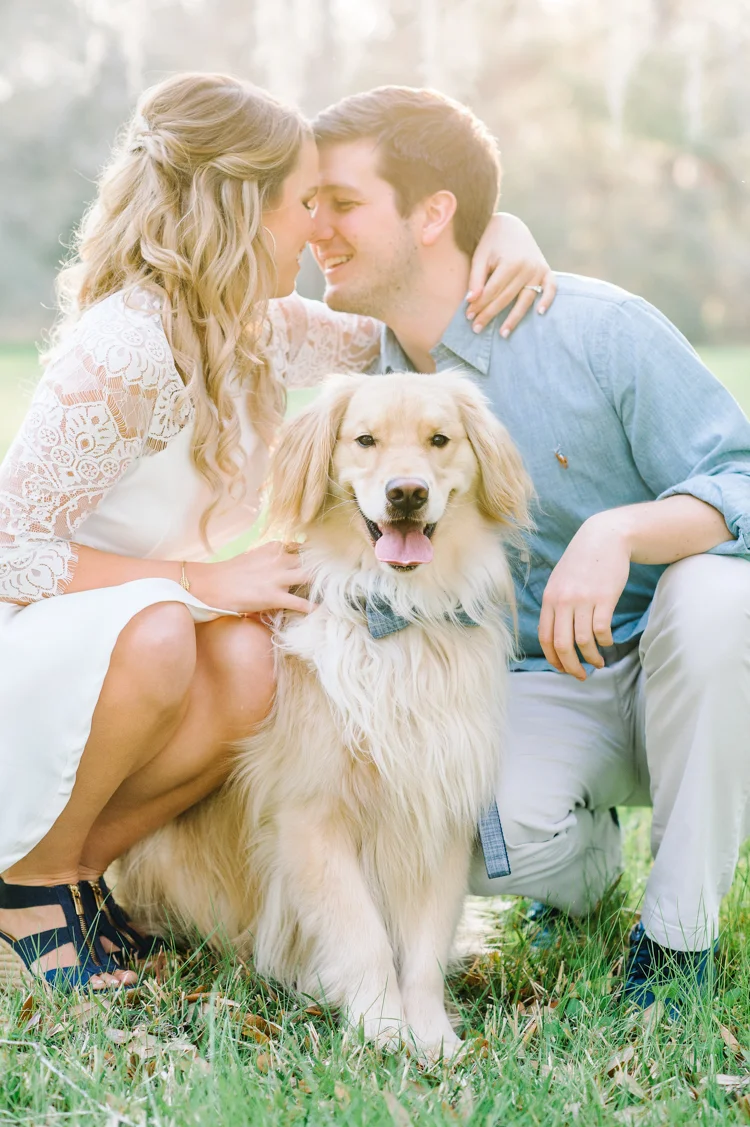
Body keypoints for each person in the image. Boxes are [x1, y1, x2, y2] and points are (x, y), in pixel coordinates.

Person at [0, 72, 555, 991]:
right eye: (303, 203)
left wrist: (496, 229)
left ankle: (76, 877)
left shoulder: (250, 326)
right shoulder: (125, 347)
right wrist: (198, 581)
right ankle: (28, 889)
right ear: (239, 208)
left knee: (259, 666)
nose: (318, 229)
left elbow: (402, 327)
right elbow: (8, 549)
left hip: (117, 632)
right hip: (47, 638)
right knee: (169, 630)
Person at [310, 85, 750, 1009]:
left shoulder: (596, 329)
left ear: (435, 214)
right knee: (451, 824)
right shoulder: (362, 381)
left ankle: (678, 945)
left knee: (716, 600)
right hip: (541, 683)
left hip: (686, 662)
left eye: (341, 203)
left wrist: (621, 530)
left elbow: (741, 475)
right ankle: (583, 873)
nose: (318, 226)